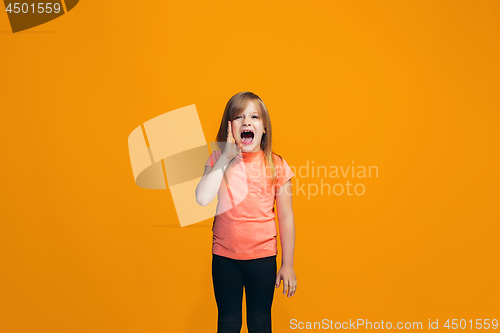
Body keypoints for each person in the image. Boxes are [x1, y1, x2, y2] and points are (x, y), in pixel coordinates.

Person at [196, 91, 297, 333]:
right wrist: (226, 158)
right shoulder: (218, 160)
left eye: (254, 117)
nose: (247, 122)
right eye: (239, 117)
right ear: (229, 128)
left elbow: (286, 218)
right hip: (224, 258)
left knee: (260, 322)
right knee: (229, 322)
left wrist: (288, 263)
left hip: (262, 259)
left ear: (264, 129)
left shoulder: (277, 165)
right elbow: (202, 199)